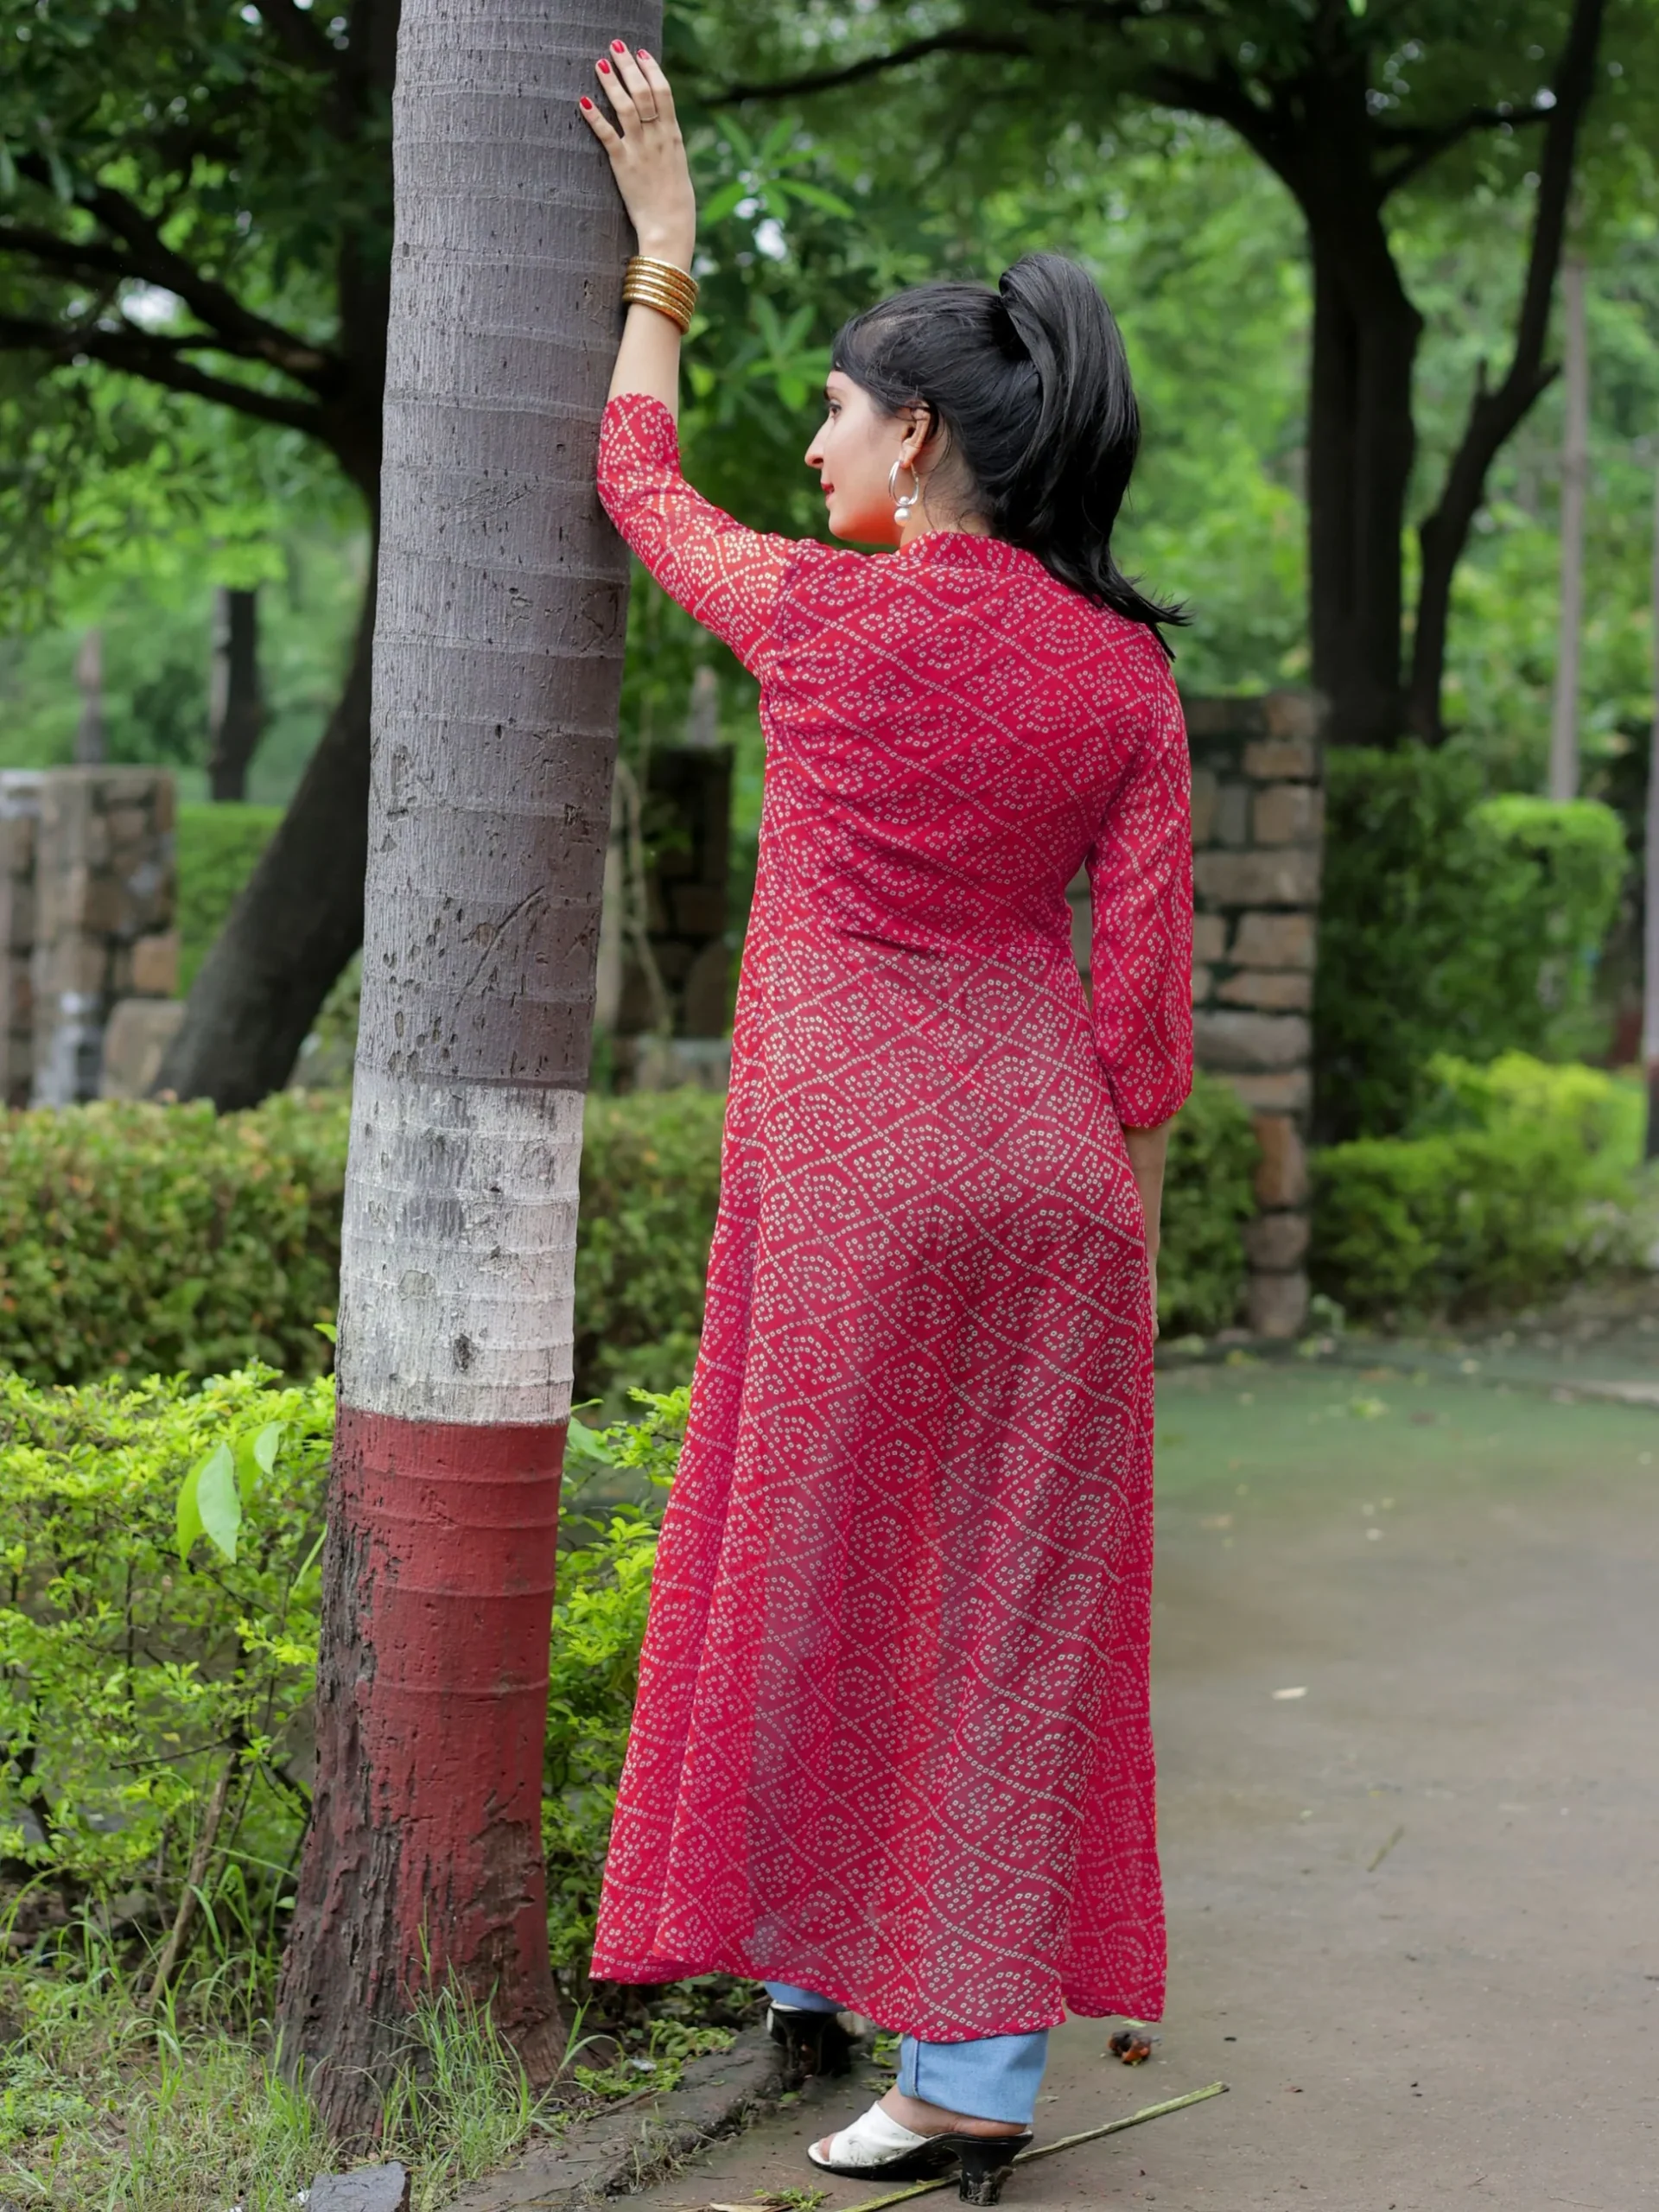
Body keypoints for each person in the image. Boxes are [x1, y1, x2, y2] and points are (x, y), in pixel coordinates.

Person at [580, 46, 1192, 2209]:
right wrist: (1113, 1218)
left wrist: (665, 255)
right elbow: (1142, 1014)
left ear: (917, 437)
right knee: (1008, 1617)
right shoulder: (1123, 675)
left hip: (858, 1169)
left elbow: (636, 486)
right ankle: (975, 2073)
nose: (816, 437)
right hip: (1053, 1189)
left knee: (826, 1583)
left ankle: (833, 1997)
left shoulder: (823, 622)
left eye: (837, 407)